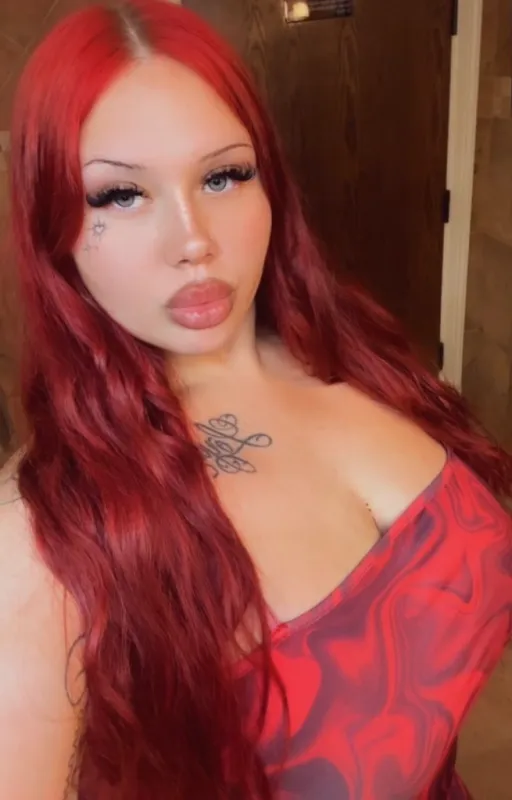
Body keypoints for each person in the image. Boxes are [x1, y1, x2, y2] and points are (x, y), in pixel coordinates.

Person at [1, 0, 511, 797]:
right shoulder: (43, 542)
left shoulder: (348, 352)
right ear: (52, 226)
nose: (193, 240)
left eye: (222, 176)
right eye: (121, 195)